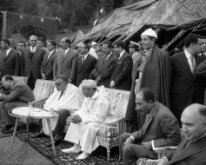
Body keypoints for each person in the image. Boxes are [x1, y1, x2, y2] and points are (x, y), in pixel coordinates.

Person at [121, 88, 181, 165]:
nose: (136, 108)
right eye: (136, 104)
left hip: (156, 151)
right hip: (146, 142)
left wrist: (152, 144)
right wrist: (131, 138)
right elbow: (143, 130)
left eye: (139, 104)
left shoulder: (164, 115)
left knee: (127, 149)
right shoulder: (152, 108)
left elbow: (176, 139)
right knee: (124, 136)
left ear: (150, 102)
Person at [125, 28, 171, 128]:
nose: (142, 42)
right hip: (140, 92)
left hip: (155, 94)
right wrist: (137, 62)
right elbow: (135, 77)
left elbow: (164, 79)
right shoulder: (140, 55)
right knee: (141, 120)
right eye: (142, 40)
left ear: (153, 40)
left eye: (145, 39)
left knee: (154, 123)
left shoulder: (162, 55)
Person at [62, 79, 112, 160]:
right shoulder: (87, 97)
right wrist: (76, 116)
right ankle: (76, 147)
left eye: (83, 89)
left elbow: (99, 117)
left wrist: (82, 119)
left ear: (90, 90)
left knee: (90, 126)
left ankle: (86, 151)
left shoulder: (102, 99)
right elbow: (83, 111)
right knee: (76, 121)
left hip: (105, 121)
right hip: (93, 119)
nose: (82, 91)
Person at [32, 76, 84, 145]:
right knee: (46, 107)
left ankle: (58, 136)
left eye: (58, 84)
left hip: (72, 110)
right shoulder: (58, 89)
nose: (56, 86)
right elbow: (51, 100)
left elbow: (74, 104)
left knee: (63, 112)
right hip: (60, 107)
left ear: (65, 83)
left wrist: (57, 108)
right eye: (55, 84)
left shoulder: (74, 90)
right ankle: (43, 131)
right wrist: (52, 107)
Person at [170, 34, 205, 122]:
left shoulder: (202, 59)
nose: (203, 46)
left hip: (197, 102)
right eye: (200, 44)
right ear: (192, 45)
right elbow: (170, 80)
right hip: (180, 104)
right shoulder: (175, 59)